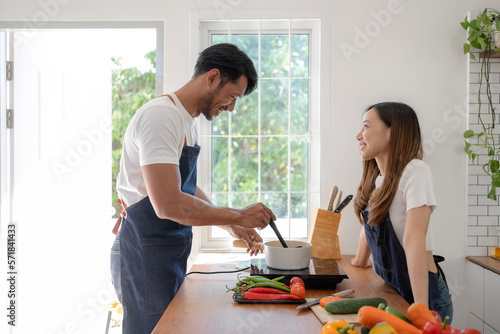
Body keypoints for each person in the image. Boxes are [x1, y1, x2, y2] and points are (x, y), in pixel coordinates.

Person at [110, 43, 276, 334]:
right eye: (232, 96)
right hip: (143, 251)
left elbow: (184, 187)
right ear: (212, 77)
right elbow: (168, 204)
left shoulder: (187, 121)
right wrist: (237, 216)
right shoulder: (161, 117)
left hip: (164, 251)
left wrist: (231, 227)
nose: (232, 107)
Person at [350, 102, 453, 322]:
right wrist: (360, 260)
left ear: (391, 132)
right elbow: (372, 223)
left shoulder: (415, 172)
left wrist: (422, 312)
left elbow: (414, 240)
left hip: (424, 297)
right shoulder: (377, 180)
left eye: (366, 126)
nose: (358, 135)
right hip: (394, 292)